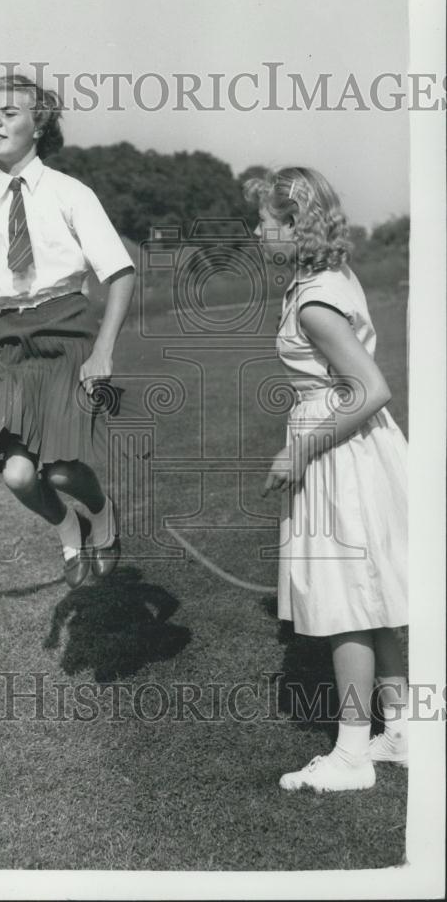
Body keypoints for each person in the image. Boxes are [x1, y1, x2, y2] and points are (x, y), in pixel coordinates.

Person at [247, 167, 408, 792]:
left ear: (295, 225)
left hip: (338, 449)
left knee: (345, 600)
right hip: (349, 445)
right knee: (367, 593)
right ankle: (401, 726)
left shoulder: (316, 300)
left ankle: (351, 754)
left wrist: (300, 451)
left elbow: (370, 389)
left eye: (266, 224)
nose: (259, 234)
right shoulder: (321, 281)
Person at [0, 73, 135, 589]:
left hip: (69, 333)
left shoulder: (69, 193)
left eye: (9, 112)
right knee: (17, 475)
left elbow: (120, 273)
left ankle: (101, 515)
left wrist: (102, 351)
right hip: (12, 341)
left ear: (39, 124)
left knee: (59, 470)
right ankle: (67, 524)